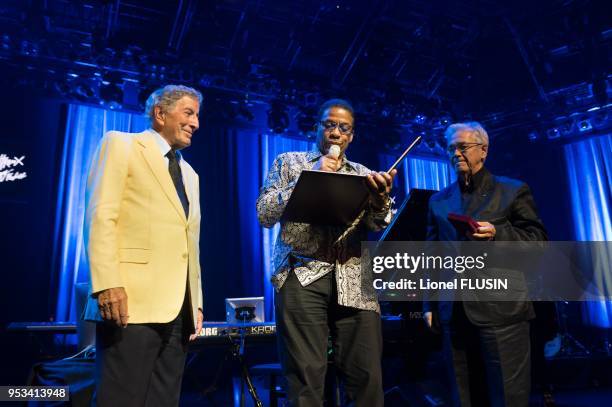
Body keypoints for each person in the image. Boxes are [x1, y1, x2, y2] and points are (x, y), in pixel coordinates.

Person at [257, 99, 397, 406]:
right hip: (302, 275)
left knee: (366, 377)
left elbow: (378, 224)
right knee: (306, 377)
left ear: (351, 136)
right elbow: (265, 213)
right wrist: (309, 176)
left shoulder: (363, 172)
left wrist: (380, 199)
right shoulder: (288, 162)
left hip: (354, 278)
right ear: (317, 128)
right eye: (329, 125)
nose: (336, 132)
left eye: (343, 128)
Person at [83, 85, 204, 406]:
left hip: (179, 310)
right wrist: (107, 284)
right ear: (160, 113)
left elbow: (191, 243)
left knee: (164, 400)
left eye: (197, 116)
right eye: (188, 113)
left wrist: (197, 304)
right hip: (129, 303)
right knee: (120, 398)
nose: (196, 123)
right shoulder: (121, 145)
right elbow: (101, 217)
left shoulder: (190, 173)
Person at [423, 122, 548, 407]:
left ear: (484, 151)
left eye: (463, 147)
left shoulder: (512, 190)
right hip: (453, 311)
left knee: (508, 398)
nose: (456, 153)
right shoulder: (438, 201)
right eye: (451, 148)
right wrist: (429, 303)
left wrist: (498, 233)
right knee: (463, 398)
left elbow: (539, 242)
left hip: (502, 311)